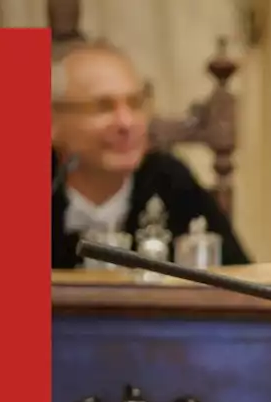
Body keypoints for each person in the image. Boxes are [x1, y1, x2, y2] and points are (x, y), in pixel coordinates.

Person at [51, 40, 251, 270]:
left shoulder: (170, 180)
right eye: (103, 106)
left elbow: (243, 286)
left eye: (135, 103)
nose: (126, 123)